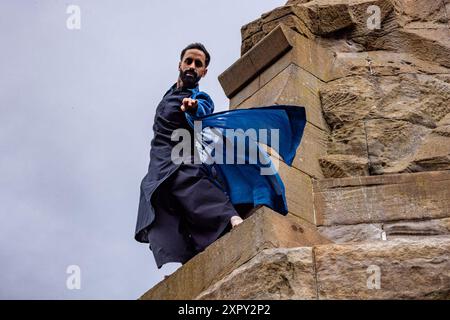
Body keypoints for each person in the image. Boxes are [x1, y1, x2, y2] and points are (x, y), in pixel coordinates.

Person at [135, 43, 244, 269]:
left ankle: (230, 217)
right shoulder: (169, 94)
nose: (192, 67)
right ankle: (187, 256)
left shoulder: (198, 96)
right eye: (189, 61)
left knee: (189, 179)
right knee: (158, 196)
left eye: (198, 64)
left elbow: (204, 107)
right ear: (180, 64)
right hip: (159, 159)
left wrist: (193, 107)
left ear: (204, 72)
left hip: (181, 154)